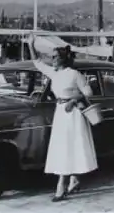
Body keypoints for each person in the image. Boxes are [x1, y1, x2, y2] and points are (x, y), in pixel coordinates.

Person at [27, 35, 98, 202]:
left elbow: (88, 93)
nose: (52, 60)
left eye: (55, 57)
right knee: (64, 148)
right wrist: (30, 44)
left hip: (72, 113)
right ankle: (74, 179)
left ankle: (61, 186)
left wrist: (73, 100)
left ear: (63, 59)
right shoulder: (54, 73)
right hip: (60, 112)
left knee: (69, 147)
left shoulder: (74, 74)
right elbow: (36, 62)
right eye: (52, 57)